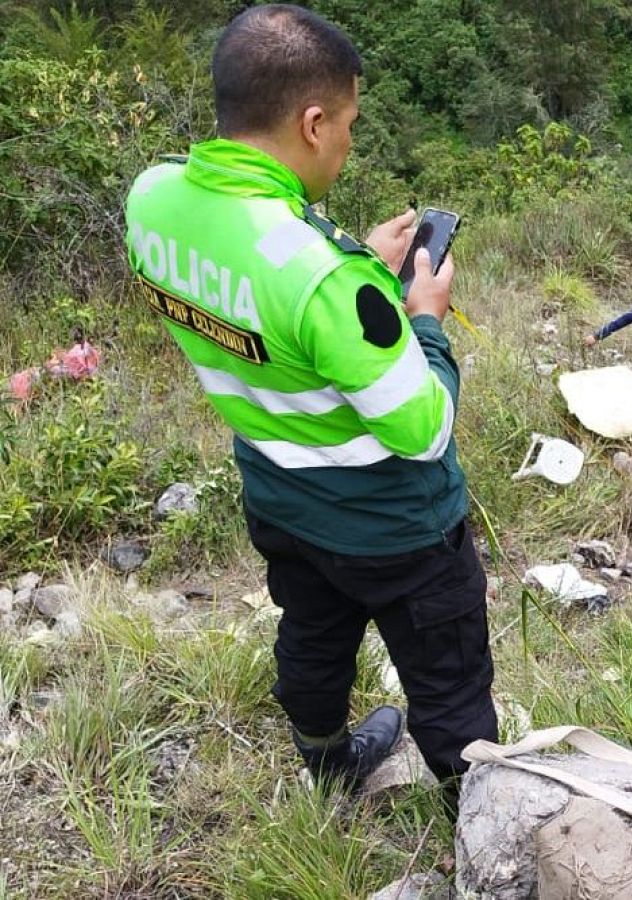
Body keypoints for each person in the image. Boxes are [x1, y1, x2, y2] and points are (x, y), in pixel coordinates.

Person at [123, 4, 496, 799]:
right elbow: (424, 427)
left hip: (281, 499)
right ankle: (481, 810)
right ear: (314, 121)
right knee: (448, 677)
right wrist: (421, 320)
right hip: (391, 528)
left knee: (314, 639)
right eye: (351, 124)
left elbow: (256, 278)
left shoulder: (151, 200)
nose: (352, 142)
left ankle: (327, 762)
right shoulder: (327, 279)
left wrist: (349, 255)